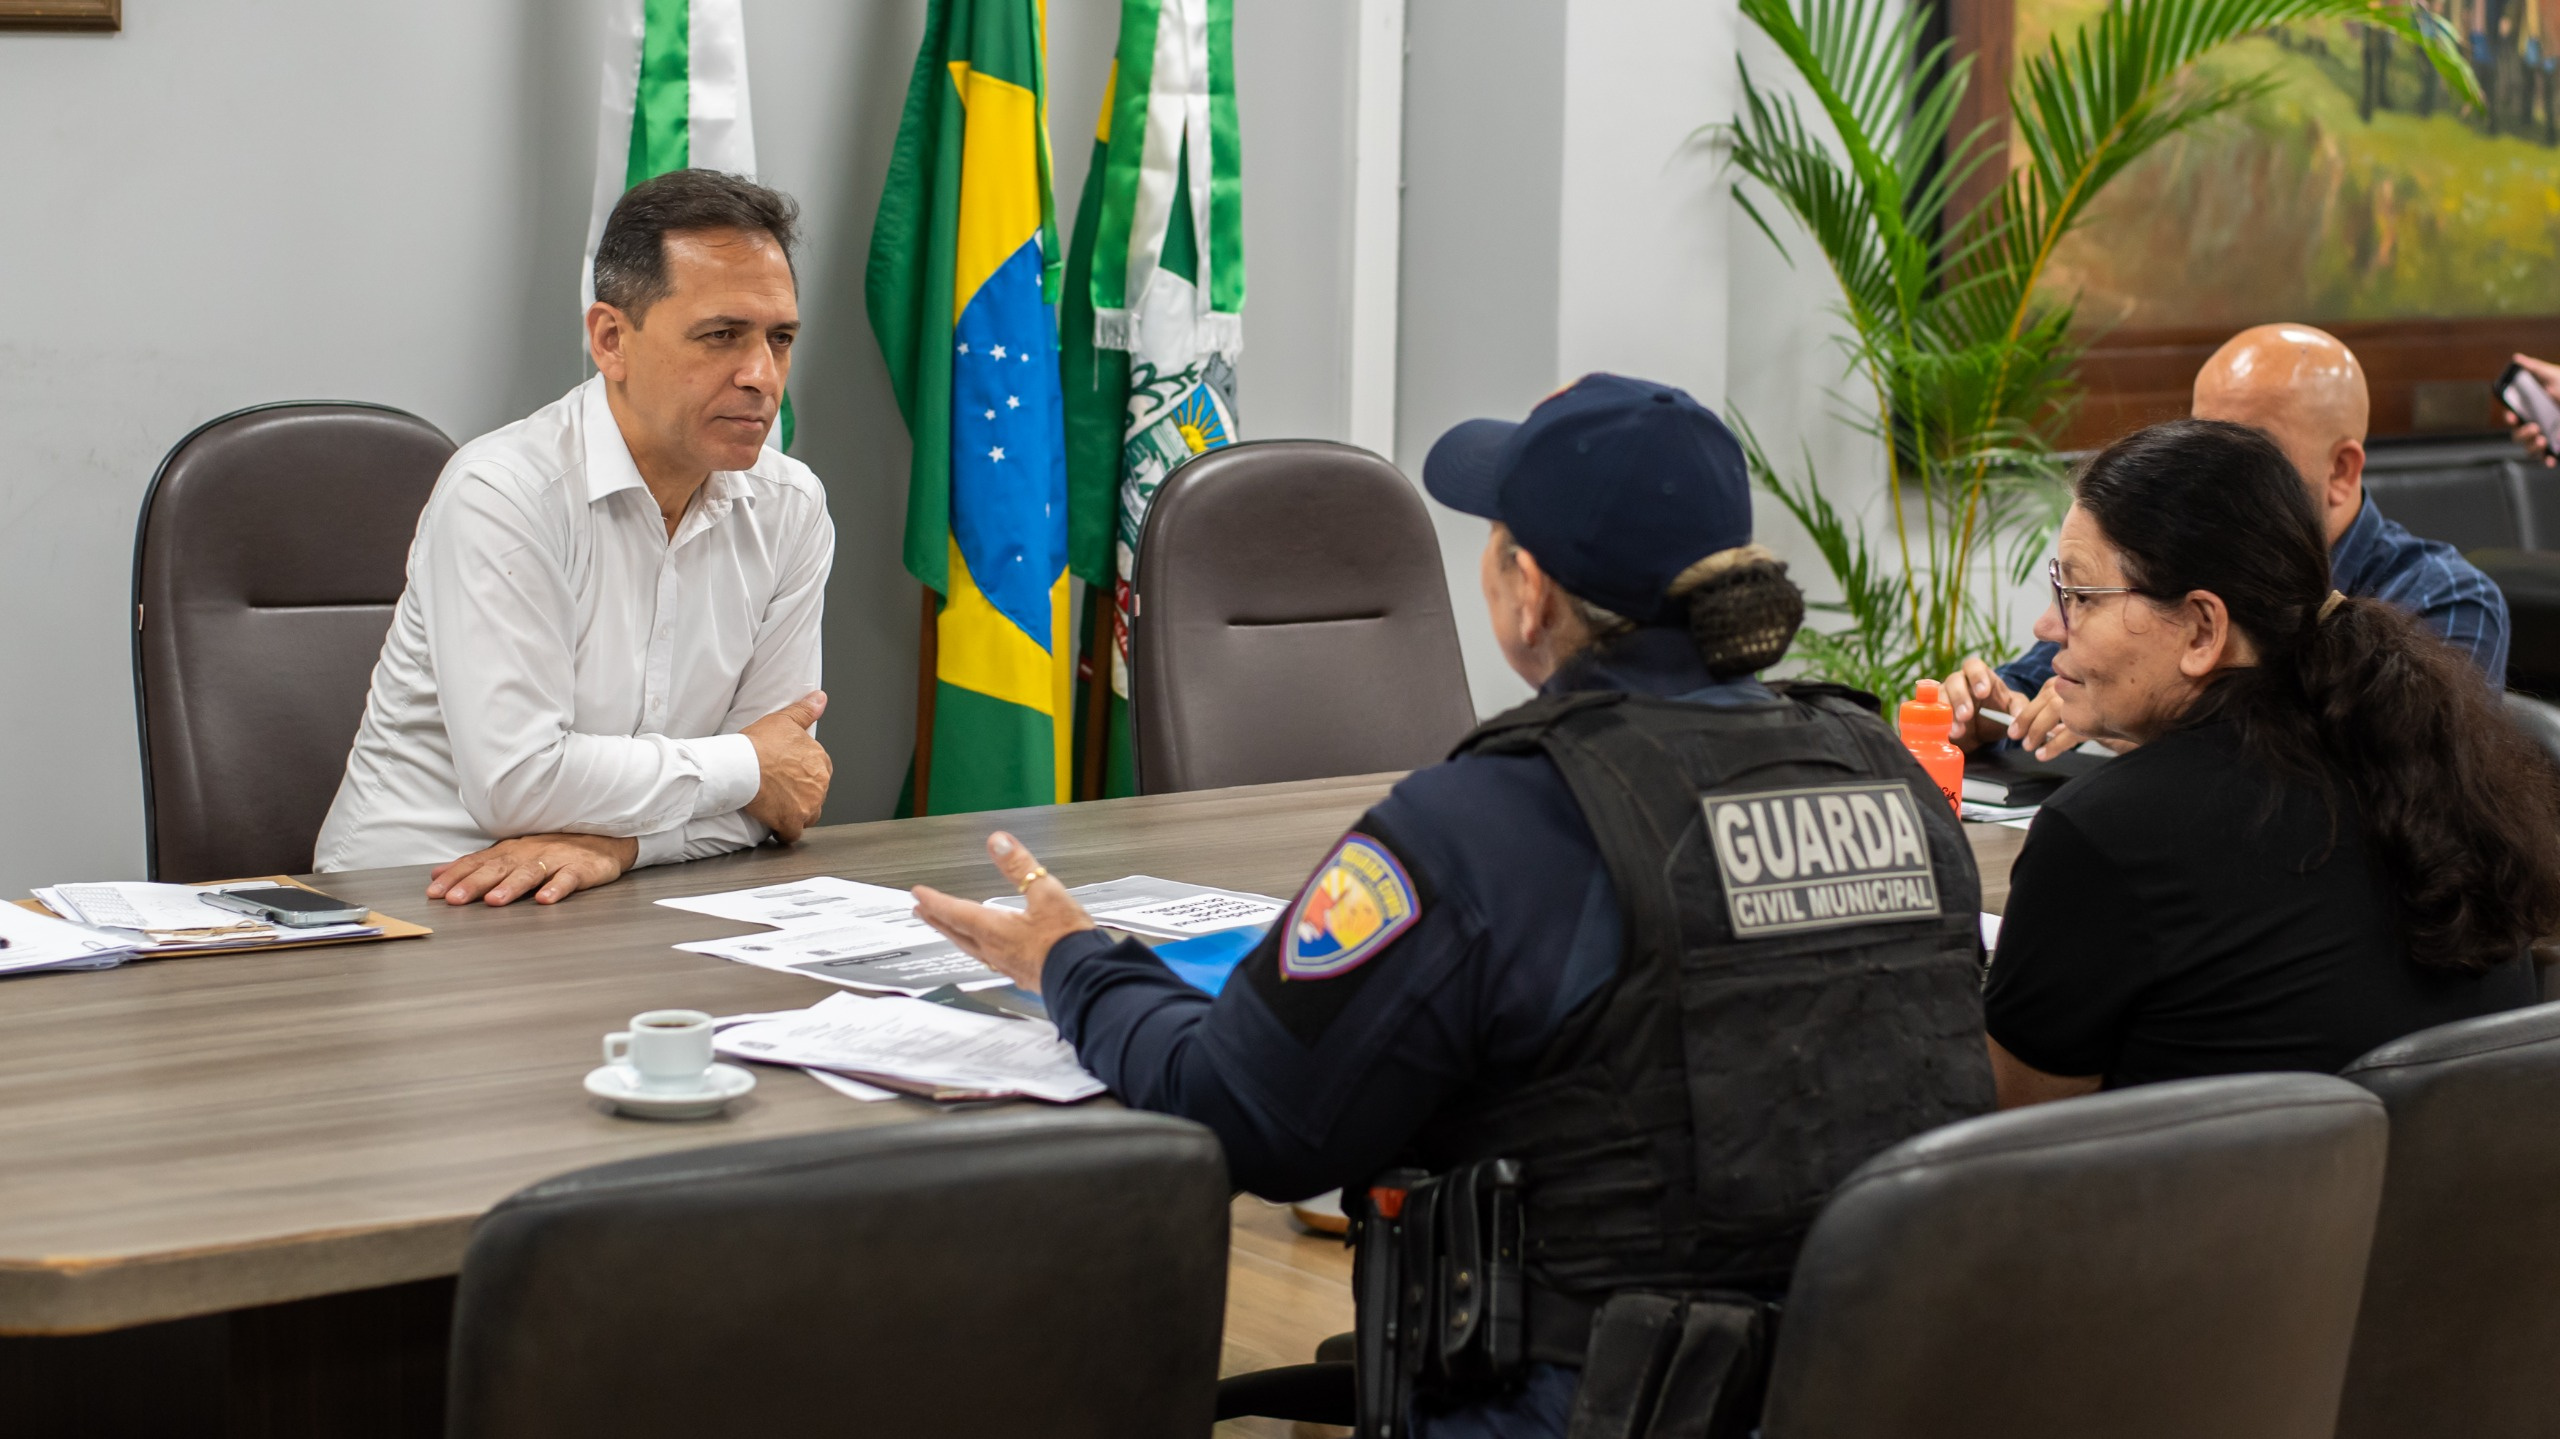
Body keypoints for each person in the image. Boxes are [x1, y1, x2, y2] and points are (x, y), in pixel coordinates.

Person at [909, 376, 1996, 1438]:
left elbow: (1245, 1116)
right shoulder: (1885, 771)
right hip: (1881, 1381)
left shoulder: (1490, 822)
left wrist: (1075, 960)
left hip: (1589, 1394)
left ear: (1528, 590)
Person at [1984, 419, 2560, 1108]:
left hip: (2208, 1214)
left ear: (2202, 628)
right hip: (2452, 1210)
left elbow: (2016, 1135)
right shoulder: (2440, 767)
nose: (2049, 627)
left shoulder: (2102, 836)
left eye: (2078, 596)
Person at [314, 170, 835, 906]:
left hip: (617, 894)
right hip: (415, 898)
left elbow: (783, 794)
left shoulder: (792, 507)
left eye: (779, 338)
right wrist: (744, 768)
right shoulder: (504, 492)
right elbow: (518, 785)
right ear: (611, 340)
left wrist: (624, 845)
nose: (761, 375)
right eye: (722, 336)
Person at [1947, 323, 2511, 758]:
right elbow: (2044, 673)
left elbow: (2399, 778)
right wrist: (1989, 712)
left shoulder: (2444, 597)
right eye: (2199, 442)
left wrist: (2159, 726)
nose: (2208, 474)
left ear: (2341, 471)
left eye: (2248, 451)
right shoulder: (2174, 558)